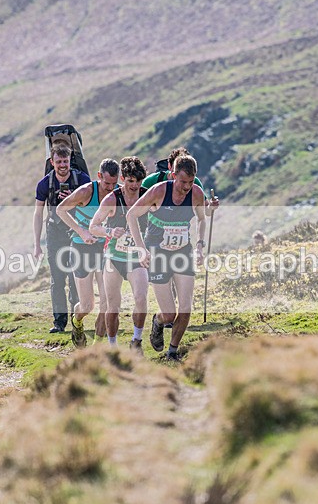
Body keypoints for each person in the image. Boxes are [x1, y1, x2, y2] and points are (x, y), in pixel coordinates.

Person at [126, 155, 207, 361]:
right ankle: (158, 321)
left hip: (182, 252)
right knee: (169, 314)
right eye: (182, 182)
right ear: (173, 175)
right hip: (158, 253)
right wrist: (141, 248)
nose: (186, 187)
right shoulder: (159, 191)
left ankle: (172, 351)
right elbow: (131, 215)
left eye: (191, 182)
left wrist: (199, 245)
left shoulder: (196, 193)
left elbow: (202, 219)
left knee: (186, 308)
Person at [57, 159, 120, 347]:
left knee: (107, 302)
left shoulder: (118, 194)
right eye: (107, 183)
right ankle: (77, 321)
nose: (110, 188)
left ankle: (97, 347)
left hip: (104, 249)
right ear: (99, 176)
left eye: (114, 183)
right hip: (81, 248)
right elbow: (60, 210)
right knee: (87, 305)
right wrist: (81, 232)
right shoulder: (86, 192)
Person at [89, 156, 149, 351]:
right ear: (123, 179)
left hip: (136, 259)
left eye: (138, 181)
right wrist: (110, 231)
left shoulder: (147, 196)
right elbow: (93, 226)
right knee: (113, 306)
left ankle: (136, 340)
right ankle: (113, 347)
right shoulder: (112, 199)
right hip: (114, 258)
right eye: (131, 181)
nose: (135, 185)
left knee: (141, 299)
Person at [33, 144, 91, 333]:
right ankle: (59, 322)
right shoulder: (44, 184)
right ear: (52, 162)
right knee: (57, 278)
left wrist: (74, 199)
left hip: (76, 232)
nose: (62, 165)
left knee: (75, 277)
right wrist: (37, 245)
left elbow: (92, 206)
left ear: (70, 161)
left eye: (65, 161)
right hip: (54, 232)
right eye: (59, 162)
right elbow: (38, 214)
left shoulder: (82, 180)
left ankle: (76, 319)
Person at [142, 147, 220, 216]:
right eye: (177, 168)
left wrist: (211, 207)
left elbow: (207, 212)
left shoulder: (194, 182)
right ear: (169, 166)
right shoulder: (151, 181)